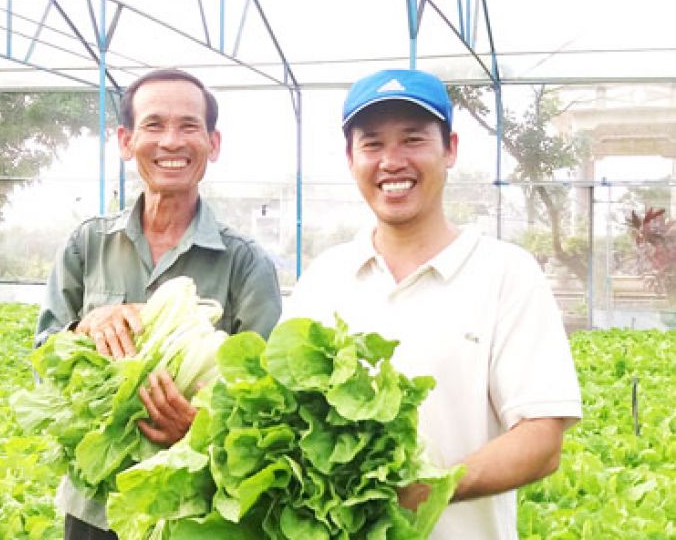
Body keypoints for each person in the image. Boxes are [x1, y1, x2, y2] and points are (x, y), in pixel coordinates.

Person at [283, 69, 582, 539]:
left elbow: (542, 440)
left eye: (413, 139)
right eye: (373, 144)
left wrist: (432, 487)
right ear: (350, 157)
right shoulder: (324, 277)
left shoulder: (506, 273)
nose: (392, 161)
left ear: (450, 149)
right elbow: (282, 415)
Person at [35, 68, 282, 539]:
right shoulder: (87, 245)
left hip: (191, 510)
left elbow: (265, 401)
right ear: (126, 141)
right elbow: (42, 363)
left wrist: (201, 426)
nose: (172, 141)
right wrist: (83, 330)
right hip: (96, 508)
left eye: (189, 126)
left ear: (213, 142)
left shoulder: (246, 264)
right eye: (154, 125)